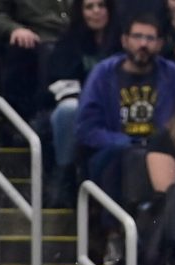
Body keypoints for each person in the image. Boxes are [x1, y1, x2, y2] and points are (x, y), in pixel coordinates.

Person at [76, 14, 175, 218]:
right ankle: (114, 232)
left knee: (148, 158)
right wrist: (125, 142)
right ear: (124, 40)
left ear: (160, 44)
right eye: (137, 37)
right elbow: (86, 129)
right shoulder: (103, 73)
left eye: (150, 39)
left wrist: (153, 145)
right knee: (126, 156)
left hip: (158, 151)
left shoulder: (171, 73)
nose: (143, 44)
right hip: (110, 152)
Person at [44, 0, 120, 206]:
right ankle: (64, 176)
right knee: (68, 111)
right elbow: (60, 83)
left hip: (116, 111)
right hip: (79, 109)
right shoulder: (69, 42)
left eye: (101, 6)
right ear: (81, 11)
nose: (96, 12)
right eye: (89, 7)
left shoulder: (123, 41)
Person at [0, 0, 71, 122]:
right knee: (45, 54)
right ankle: (41, 121)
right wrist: (14, 29)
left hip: (73, 39)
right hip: (35, 40)